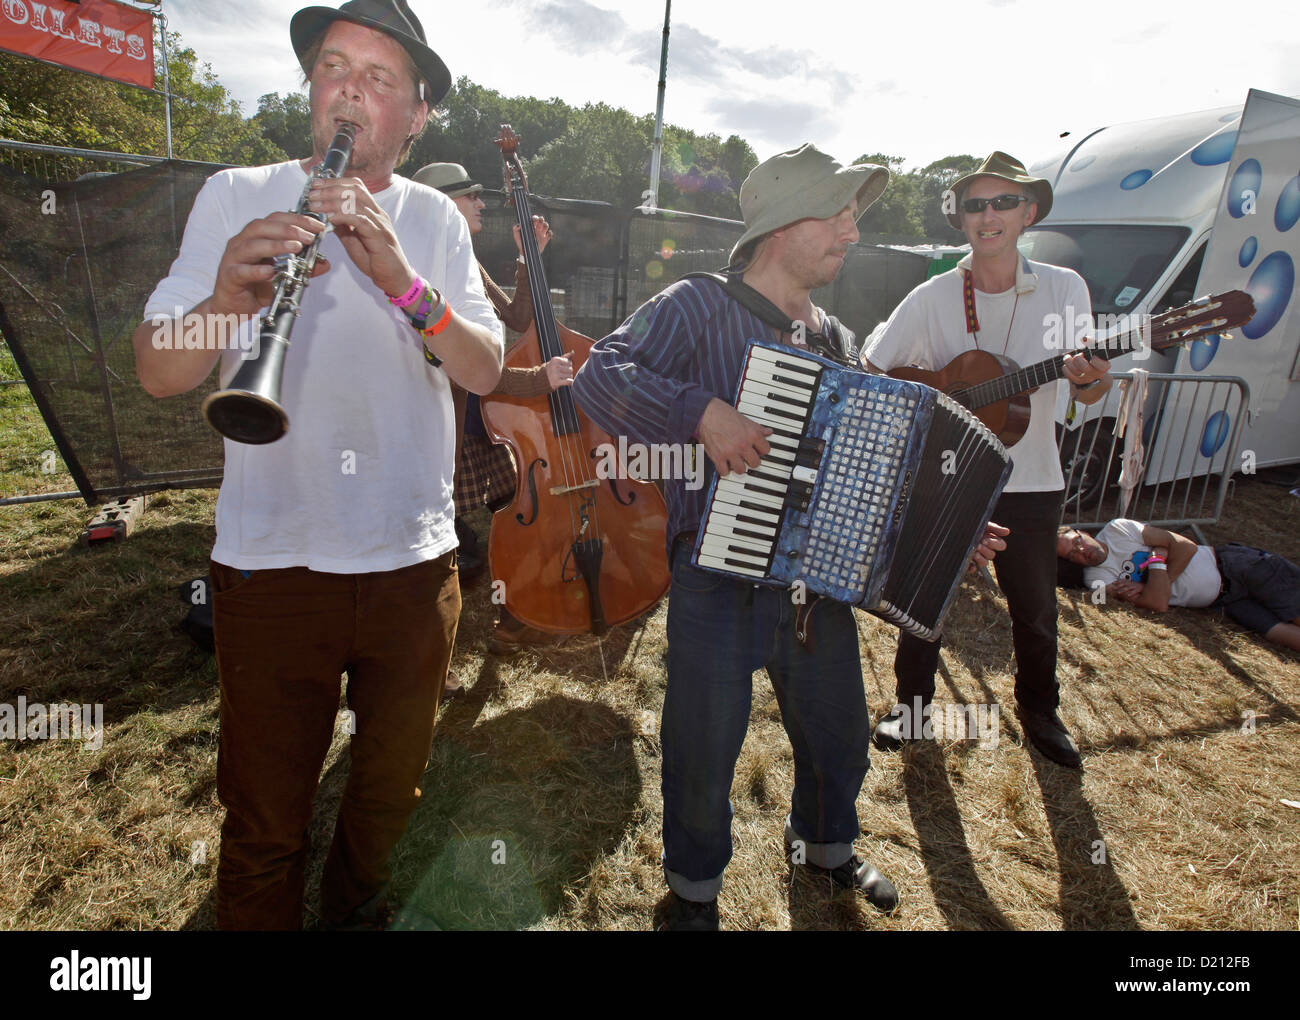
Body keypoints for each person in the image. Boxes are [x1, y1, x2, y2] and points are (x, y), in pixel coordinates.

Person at [131, 0, 504, 929]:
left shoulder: (433, 219)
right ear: (311, 88)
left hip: (412, 563)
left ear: (415, 117)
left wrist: (402, 285)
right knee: (263, 821)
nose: (349, 93)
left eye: (379, 80)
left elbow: (484, 367)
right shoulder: (234, 191)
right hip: (272, 560)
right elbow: (157, 371)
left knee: (385, 801)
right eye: (335, 69)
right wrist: (225, 297)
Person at [574, 144, 1003, 930]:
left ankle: (826, 850)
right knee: (703, 749)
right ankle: (694, 891)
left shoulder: (839, 337)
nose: (851, 233)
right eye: (837, 216)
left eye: (853, 218)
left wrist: (944, 531)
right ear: (782, 226)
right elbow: (601, 373)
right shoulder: (698, 304)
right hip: (716, 580)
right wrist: (701, 414)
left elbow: (880, 465)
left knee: (838, 737)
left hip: (814, 589)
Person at [862, 152, 1112, 769]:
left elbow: (1090, 388)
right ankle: (912, 708)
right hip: (948, 478)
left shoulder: (1063, 289)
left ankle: (1041, 713)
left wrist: (1090, 378)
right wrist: (927, 410)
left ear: (1028, 212)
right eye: (975, 204)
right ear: (960, 218)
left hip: (1032, 480)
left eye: (1003, 202)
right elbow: (873, 367)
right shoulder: (933, 295)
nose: (988, 215)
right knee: (925, 600)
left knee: (1034, 605)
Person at [410, 162, 574, 668]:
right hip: (449, 424)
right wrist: (535, 380)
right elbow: (464, 364)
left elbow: (518, 319)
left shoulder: (465, 262)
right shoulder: (417, 268)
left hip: (484, 422)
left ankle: (513, 619)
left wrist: (529, 260)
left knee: (516, 507)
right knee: (445, 545)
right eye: (471, 195)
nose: (481, 203)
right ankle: (432, 657)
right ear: (440, 204)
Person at [1059, 521, 1300, 651]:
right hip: (1226, 601)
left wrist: (1159, 582)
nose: (1083, 551)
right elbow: (1157, 603)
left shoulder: (1118, 529)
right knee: (1284, 636)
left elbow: (1186, 546)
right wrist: (1156, 560)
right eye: (1073, 555)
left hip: (1235, 566)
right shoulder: (1096, 579)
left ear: (1083, 532)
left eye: (1078, 542)